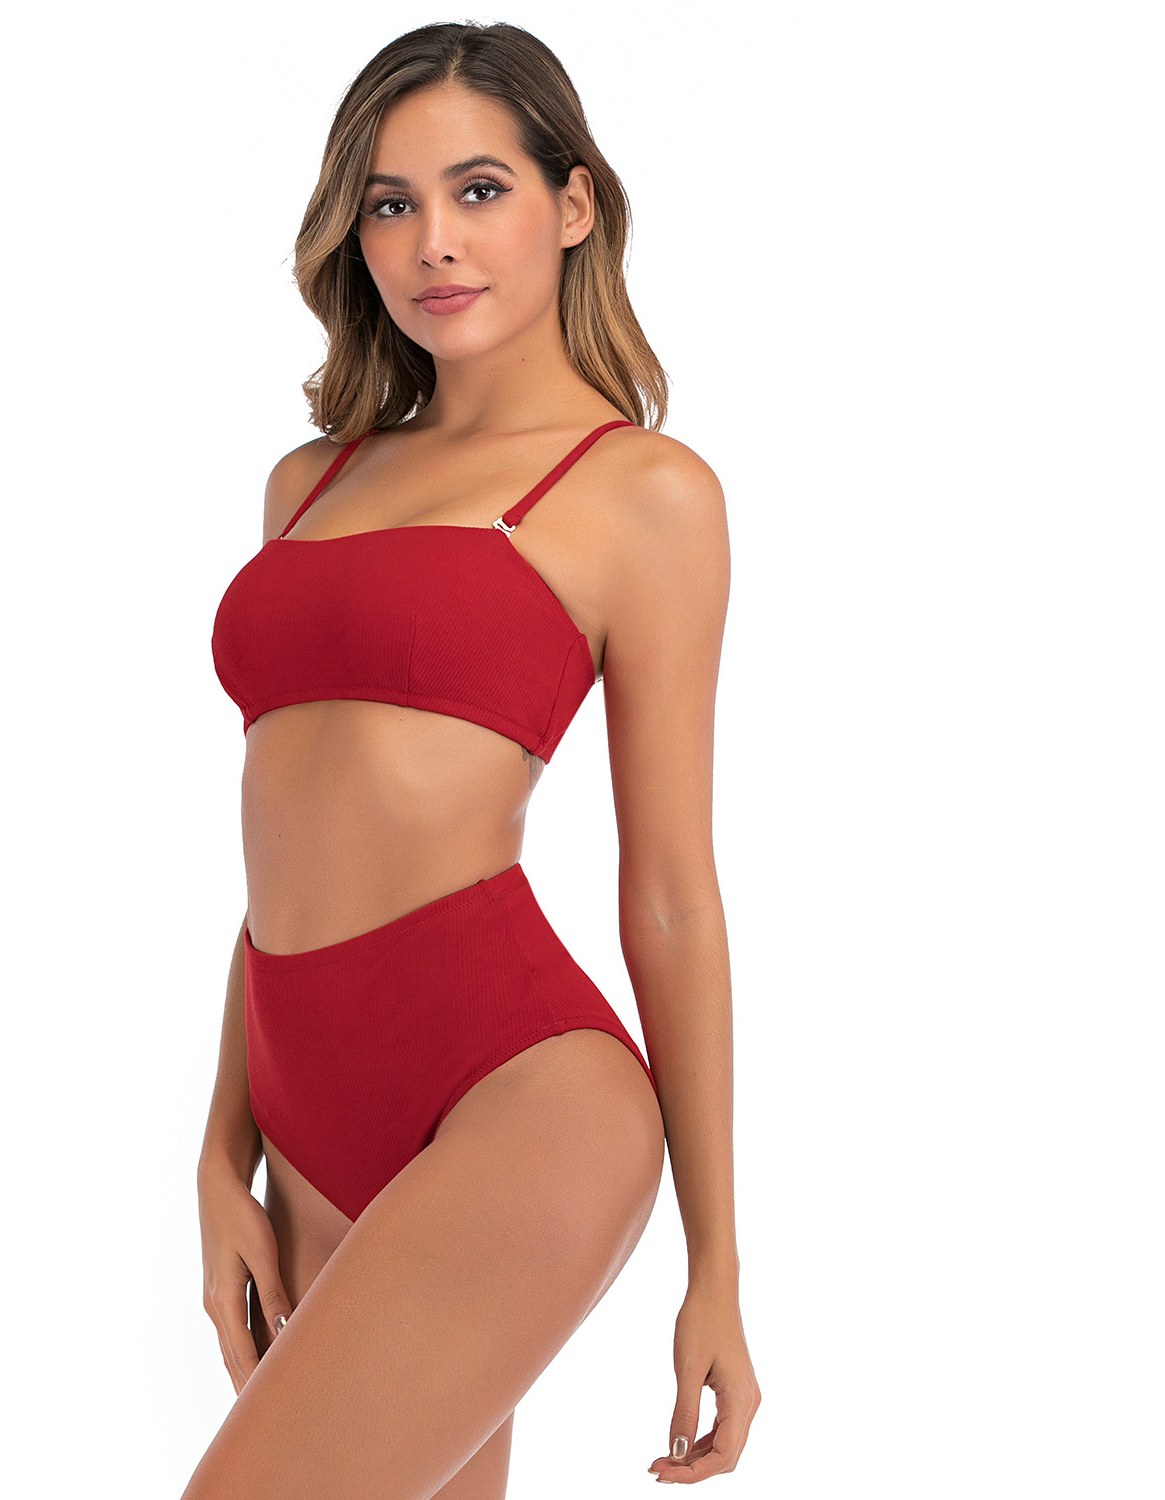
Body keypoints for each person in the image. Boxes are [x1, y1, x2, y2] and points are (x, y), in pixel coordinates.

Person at [185, 21, 758, 1497]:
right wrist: (220, 1153)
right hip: (301, 1093)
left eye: (480, 190)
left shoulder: (640, 493)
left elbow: (672, 891)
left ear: (574, 205)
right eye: (391, 203)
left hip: (520, 1088)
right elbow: (283, 847)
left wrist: (714, 1266)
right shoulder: (310, 482)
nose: (433, 241)